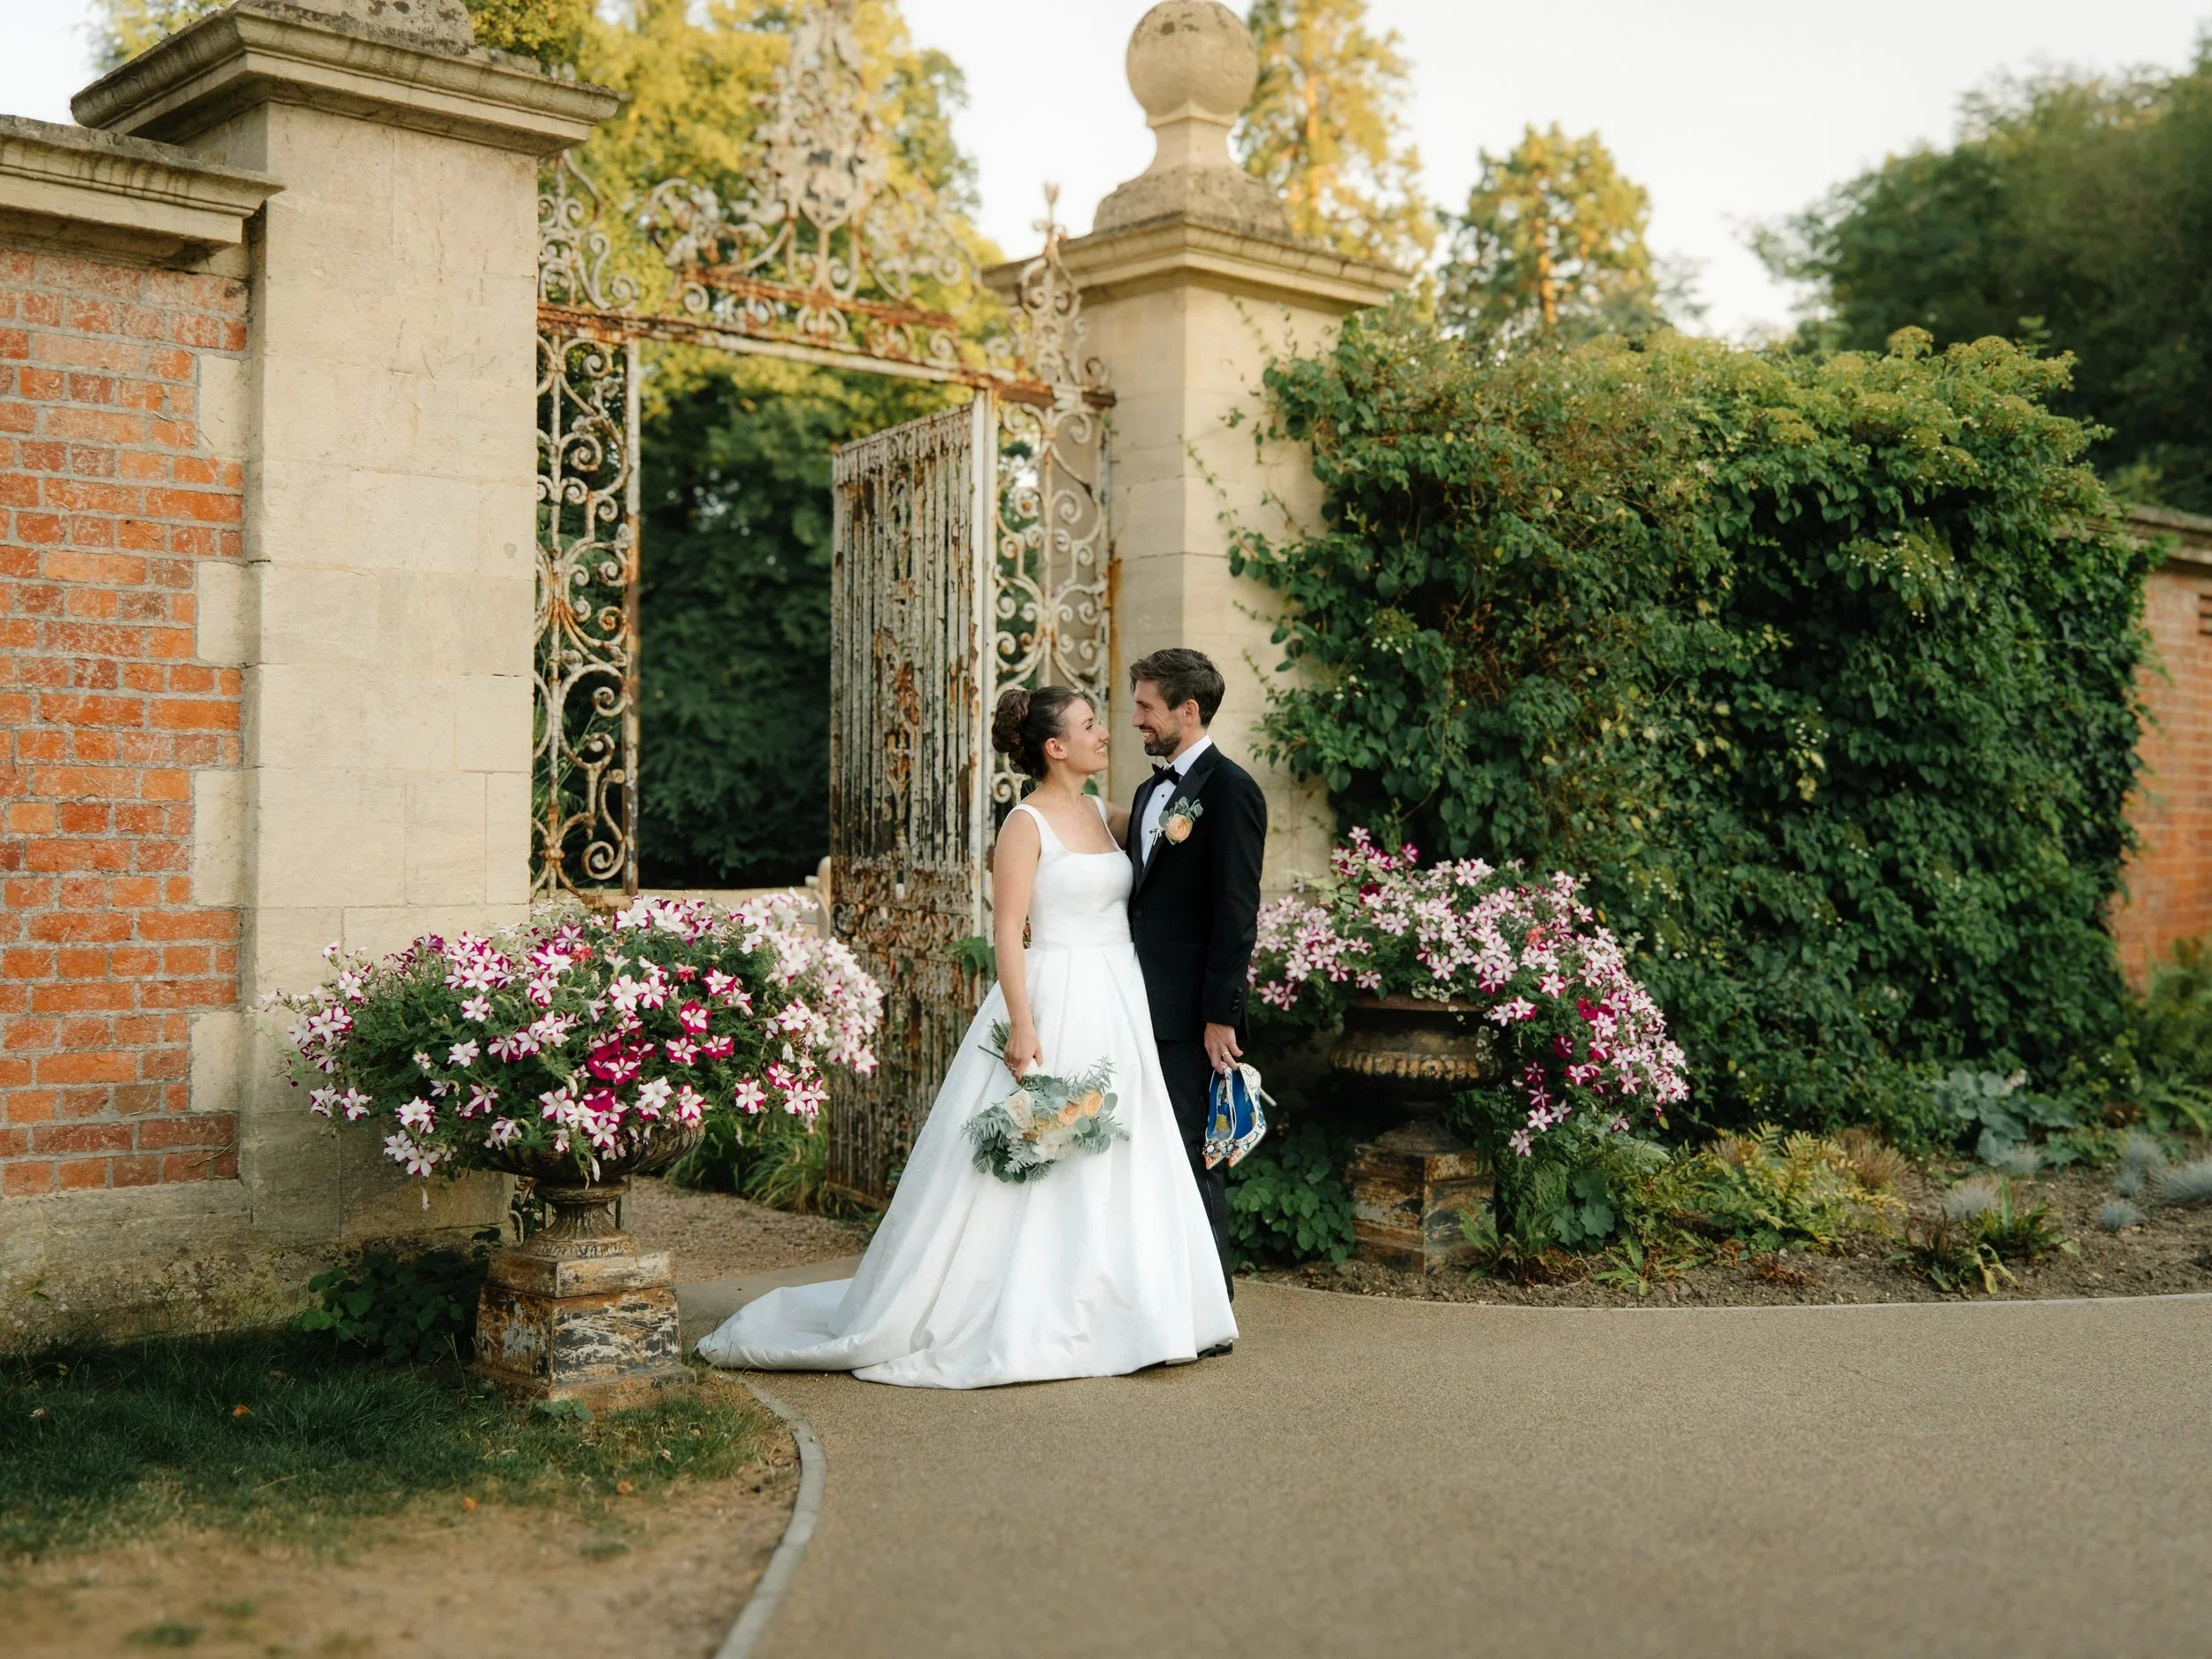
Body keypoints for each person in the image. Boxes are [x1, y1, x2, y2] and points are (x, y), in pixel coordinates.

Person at [696, 684, 1235, 1388]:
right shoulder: (1026, 824)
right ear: (1054, 746)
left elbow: (1180, 829)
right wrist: (1023, 1023)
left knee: (1120, 1153)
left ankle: (1127, 1305)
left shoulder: (1105, 815)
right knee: (1044, 1146)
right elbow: (1007, 929)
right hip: (1054, 994)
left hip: (1119, 997)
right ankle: (1024, 1307)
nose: (1106, 732)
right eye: (1089, 725)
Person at [1123, 648, 1268, 1296]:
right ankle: (1157, 1293)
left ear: (1188, 708)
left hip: (1191, 1017)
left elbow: (1237, 911)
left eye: (1146, 706)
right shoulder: (1149, 792)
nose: (1135, 720)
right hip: (1131, 1002)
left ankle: (1212, 1304)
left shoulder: (1233, 790)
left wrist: (1219, 1014)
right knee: (1143, 1153)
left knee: (1192, 1154)